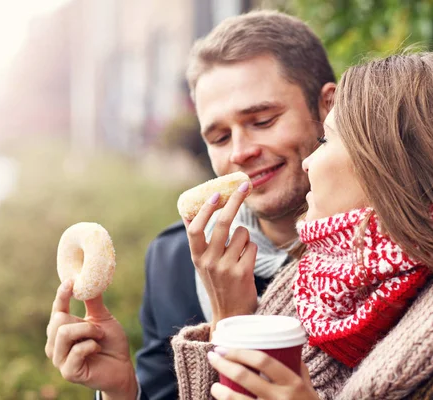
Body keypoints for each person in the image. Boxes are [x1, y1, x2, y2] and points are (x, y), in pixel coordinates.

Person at [171, 52, 433, 399]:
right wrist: (232, 322)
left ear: (392, 168)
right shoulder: (306, 283)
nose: (310, 162)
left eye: (326, 141)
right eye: (220, 136)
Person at [44, 9, 336, 400]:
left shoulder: (387, 251)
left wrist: (234, 324)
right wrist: (121, 390)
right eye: (218, 137)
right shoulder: (173, 260)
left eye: (263, 120)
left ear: (327, 108)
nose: (240, 152)